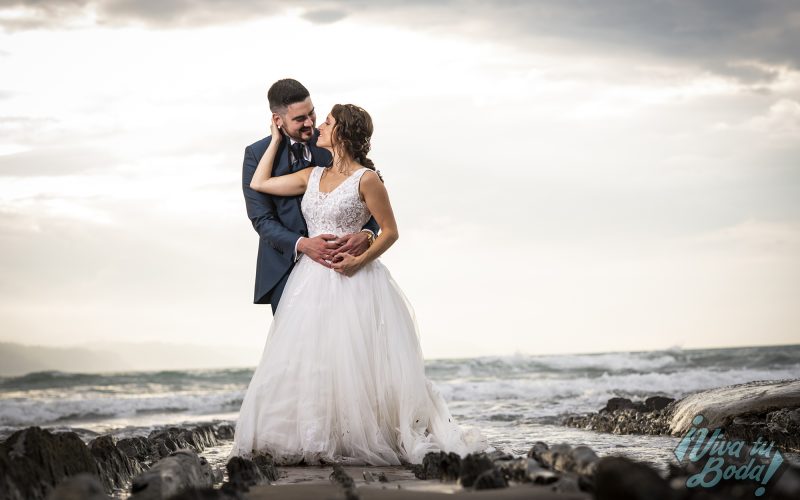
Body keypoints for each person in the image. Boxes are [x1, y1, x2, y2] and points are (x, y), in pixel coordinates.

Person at [227, 103, 488, 465]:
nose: (318, 126)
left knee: (355, 359)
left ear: (343, 133)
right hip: (310, 280)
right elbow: (259, 183)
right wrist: (274, 139)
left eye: (327, 121)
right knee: (312, 358)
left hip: (355, 281)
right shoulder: (312, 173)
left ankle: (363, 433)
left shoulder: (367, 179)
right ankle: (315, 433)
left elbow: (390, 231)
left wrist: (359, 257)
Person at [241, 79, 379, 313]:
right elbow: (261, 219)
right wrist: (303, 244)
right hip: (284, 268)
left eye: (312, 114)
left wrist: (368, 234)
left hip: (341, 268)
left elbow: (368, 195)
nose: (310, 123)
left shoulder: (334, 141)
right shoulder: (256, 155)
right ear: (277, 119)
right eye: (299, 119)